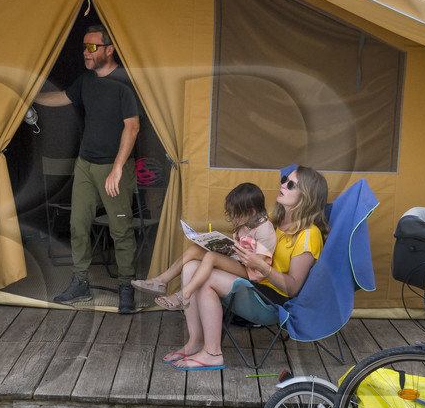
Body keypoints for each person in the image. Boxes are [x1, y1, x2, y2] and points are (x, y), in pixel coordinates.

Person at [164, 166, 329, 370]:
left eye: (291, 184)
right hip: (254, 280)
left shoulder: (308, 235)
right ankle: (195, 342)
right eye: (284, 179)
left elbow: (293, 288)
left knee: (207, 278)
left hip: (273, 298)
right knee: (191, 266)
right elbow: (248, 242)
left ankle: (212, 353)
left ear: (307, 196)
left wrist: (261, 266)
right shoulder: (275, 220)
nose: (283, 184)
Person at [31, 24, 142, 313]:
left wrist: (117, 169)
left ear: (109, 49)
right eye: (84, 47)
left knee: (121, 228)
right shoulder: (86, 81)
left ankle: (126, 285)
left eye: (92, 47)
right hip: (85, 165)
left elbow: (132, 127)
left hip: (115, 169)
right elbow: (63, 97)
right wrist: (30, 98)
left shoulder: (125, 82)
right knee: (77, 225)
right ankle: (80, 283)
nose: (85, 52)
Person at [134, 182, 275, 311]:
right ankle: (160, 281)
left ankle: (183, 296)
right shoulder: (245, 223)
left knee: (211, 257)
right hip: (239, 261)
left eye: (235, 215)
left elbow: (259, 264)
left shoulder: (265, 229)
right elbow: (238, 245)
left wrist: (230, 252)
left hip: (252, 272)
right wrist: (210, 239)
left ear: (252, 212)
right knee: (195, 249)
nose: (232, 219)